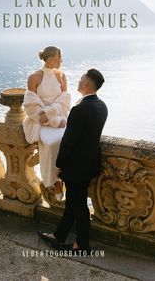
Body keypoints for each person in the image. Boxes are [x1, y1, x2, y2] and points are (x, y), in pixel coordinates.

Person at [37, 68, 108, 254]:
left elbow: (69, 141)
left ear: (85, 84)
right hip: (91, 163)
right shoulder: (102, 106)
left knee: (79, 206)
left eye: (81, 79)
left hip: (76, 167)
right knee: (73, 203)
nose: (79, 81)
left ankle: (82, 245)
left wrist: (59, 165)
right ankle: (58, 237)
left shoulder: (79, 109)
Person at [23, 46, 71, 199]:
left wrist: (53, 116)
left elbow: (64, 102)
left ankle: (64, 176)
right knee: (50, 144)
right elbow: (31, 106)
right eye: (59, 58)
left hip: (59, 118)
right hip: (40, 121)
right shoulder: (34, 78)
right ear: (51, 59)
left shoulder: (61, 76)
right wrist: (49, 119)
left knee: (67, 140)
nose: (61, 61)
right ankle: (54, 181)